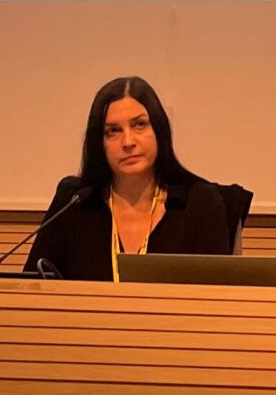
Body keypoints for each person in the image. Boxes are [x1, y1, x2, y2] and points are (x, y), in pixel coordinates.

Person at [26, 75, 241, 278]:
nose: (128, 142)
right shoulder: (75, 203)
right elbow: (32, 287)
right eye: (113, 131)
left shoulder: (199, 203)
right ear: (99, 143)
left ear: (159, 131)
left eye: (139, 125)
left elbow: (214, 294)